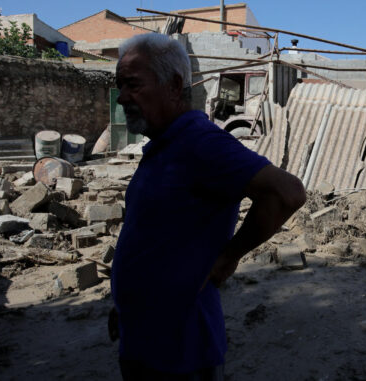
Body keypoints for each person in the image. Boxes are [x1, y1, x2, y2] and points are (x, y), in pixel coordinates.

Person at [111, 33, 306, 381]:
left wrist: (227, 257)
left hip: (180, 352)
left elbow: (287, 193)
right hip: (144, 337)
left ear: (173, 86)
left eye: (133, 85)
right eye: (119, 85)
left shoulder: (199, 144)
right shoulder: (164, 146)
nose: (123, 96)